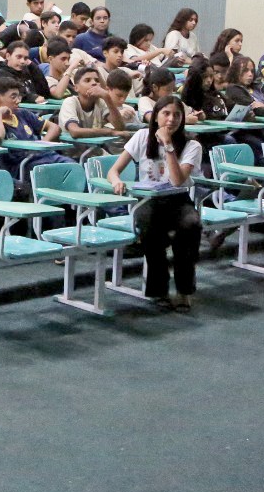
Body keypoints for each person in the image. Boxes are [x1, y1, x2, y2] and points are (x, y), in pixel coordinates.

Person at [107, 96, 203, 312]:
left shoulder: (192, 145)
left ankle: (184, 290)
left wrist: (168, 146)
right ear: (156, 116)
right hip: (148, 200)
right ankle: (159, 289)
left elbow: (178, 180)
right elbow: (113, 171)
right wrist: (117, 181)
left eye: (177, 115)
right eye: (166, 113)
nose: (171, 119)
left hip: (178, 200)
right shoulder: (142, 136)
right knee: (151, 230)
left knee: (191, 225)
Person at [0, 74, 73, 179]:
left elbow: (55, 128)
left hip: (45, 156)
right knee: (56, 172)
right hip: (23, 165)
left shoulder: (23, 113)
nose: (18, 101)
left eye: (18, 96)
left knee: (72, 166)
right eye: (13, 97)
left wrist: (42, 146)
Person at [59, 66, 135, 141]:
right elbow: (75, 132)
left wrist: (107, 98)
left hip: (95, 149)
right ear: (76, 88)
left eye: (97, 80)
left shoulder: (101, 102)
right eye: (87, 80)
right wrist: (110, 132)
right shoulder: (70, 102)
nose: (94, 83)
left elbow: (120, 127)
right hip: (71, 150)